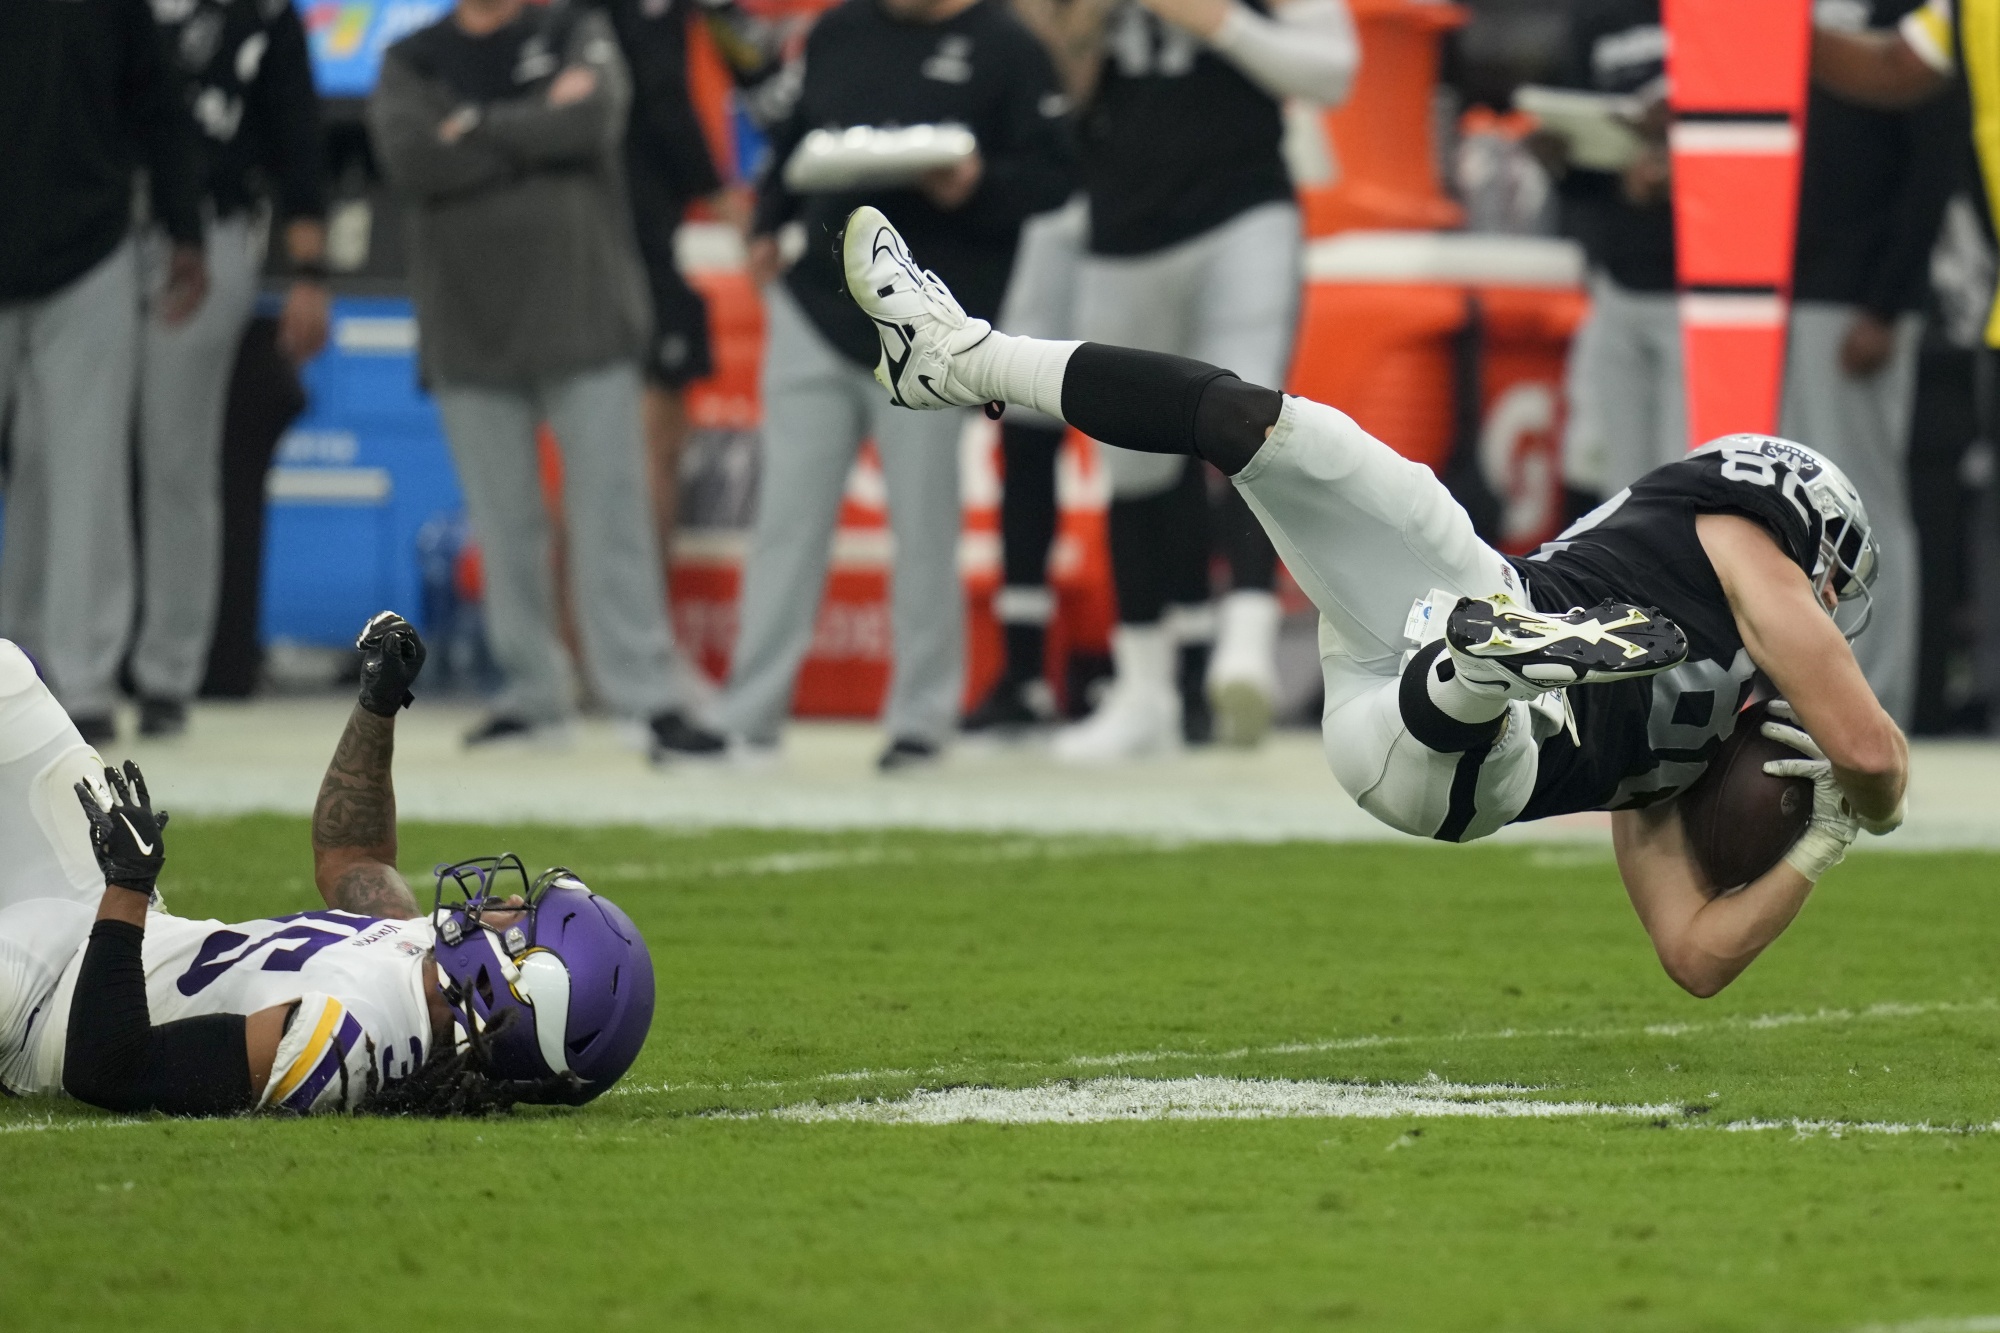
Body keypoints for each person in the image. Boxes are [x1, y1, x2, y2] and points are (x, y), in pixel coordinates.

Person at [841, 206, 1909, 996]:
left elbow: (1694, 958)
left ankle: (1486, 664)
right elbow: (1859, 762)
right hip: (1413, 669)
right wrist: (1859, 809)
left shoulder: (1675, 767)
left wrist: (1816, 843)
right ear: (1808, 542)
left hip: (1464, 719)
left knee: (1467, 641)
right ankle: (955, 356)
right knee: (1270, 429)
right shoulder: (1732, 543)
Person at [0, 613, 654, 1115]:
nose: (502, 902)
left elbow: (109, 1066)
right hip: (97, 919)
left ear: (516, 993)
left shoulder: (346, 1038)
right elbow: (354, 854)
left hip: (43, 1003)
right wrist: (378, 706)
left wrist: (129, 888)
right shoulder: (419, 961)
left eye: (522, 918)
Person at [698, 0, 1072, 771]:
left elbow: (1052, 176)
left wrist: (973, 184)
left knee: (924, 525)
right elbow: (798, 138)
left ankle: (921, 721)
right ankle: (748, 715)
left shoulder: (1005, 46)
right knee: (785, 524)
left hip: (931, 325)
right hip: (817, 302)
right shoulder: (840, 31)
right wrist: (769, 221)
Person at [989, 0, 1356, 760]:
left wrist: (1220, 22)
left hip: (1241, 206)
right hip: (1121, 224)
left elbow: (1336, 72)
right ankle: (1143, 686)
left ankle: (1246, 640)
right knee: (1132, 458)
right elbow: (1055, 97)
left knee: (1254, 424)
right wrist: (1072, 26)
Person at [368, 0, 722, 758]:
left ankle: (645, 695)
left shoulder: (574, 28)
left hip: (583, 314)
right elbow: (410, 156)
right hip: (468, 325)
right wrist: (529, 127)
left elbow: (591, 121)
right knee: (505, 525)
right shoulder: (414, 57)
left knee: (612, 517)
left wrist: (473, 126)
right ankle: (534, 693)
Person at [0, 0, 209, 746]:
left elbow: (158, 102)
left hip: (88, 252)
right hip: (76, 239)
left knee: (87, 474)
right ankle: (28, 668)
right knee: (50, 473)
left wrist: (184, 222)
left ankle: (80, 683)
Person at [129, 0, 335, 738]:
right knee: (65, 455)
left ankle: (169, 670)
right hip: (97, 226)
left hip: (212, 230)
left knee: (177, 457)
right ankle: (58, 664)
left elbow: (299, 141)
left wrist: (309, 272)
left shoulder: (263, 16)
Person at [1777, 0, 1960, 730]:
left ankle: (1880, 697)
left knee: (1866, 504)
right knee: (1800, 510)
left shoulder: (1906, 13)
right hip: (1791, 289)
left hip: (1858, 298)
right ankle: (1821, 691)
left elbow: (1932, 166)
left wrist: (1888, 301)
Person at [1536, 0, 1681, 508]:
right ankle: (1629, 591)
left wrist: (1681, 171)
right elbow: (1584, 163)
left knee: (1692, 475)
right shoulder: (1595, 16)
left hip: (1705, 286)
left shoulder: (1725, 16)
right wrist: (1559, 158)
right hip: (1616, 277)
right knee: (1621, 484)